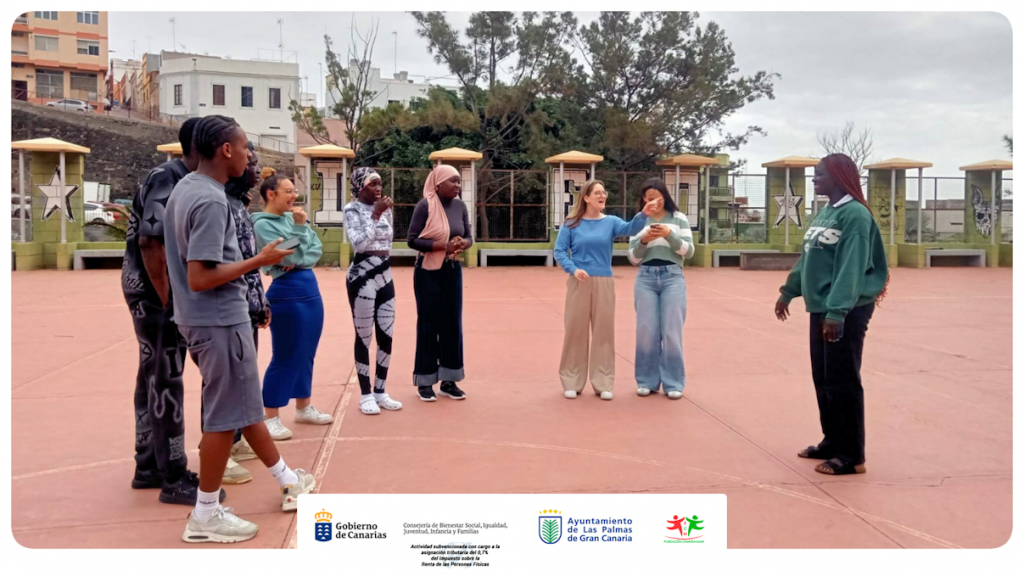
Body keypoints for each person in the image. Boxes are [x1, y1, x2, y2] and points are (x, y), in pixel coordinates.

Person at [165, 115, 314, 543]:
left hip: (205, 319)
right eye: (246, 146)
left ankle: (288, 480)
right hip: (218, 319)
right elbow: (200, 276)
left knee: (243, 408)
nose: (251, 155)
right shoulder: (211, 200)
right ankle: (205, 514)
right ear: (226, 150)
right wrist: (259, 261)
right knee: (222, 419)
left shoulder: (186, 188)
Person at [775, 153, 889, 476]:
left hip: (846, 309)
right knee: (824, 379)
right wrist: (789, 290)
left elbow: (852, 266)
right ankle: (832, 441)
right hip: (823, 307)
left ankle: (851, 456)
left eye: (820, 174)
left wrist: (837, 311)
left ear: (838, 176)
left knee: (843, 380)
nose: (814, 179)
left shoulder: (855, 215)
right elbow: (809, 257)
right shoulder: (827, 212)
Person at [122, 117, 216, 506]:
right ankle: (173, 476)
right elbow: (150, 242)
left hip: (154, 290)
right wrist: (168, 300)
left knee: (153, 375)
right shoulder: (169, 176)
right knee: (166, 379)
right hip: (153, 292)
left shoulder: (184, 178)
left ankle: (148, 465)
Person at [554, 180, 658, 400]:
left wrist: (644, 213)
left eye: (604, 192)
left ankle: (603, 382)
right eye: (597, 193)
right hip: (579, 281)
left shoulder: (611, 222)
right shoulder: (571, 224)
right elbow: (560, 251)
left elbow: (631, 229)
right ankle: (572, 380)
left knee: (604, 332)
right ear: (586, 198)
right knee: (575, 331)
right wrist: (573, 269)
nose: (602, 196)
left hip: (604, 281)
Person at [252, 168, 331, 440]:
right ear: (271, 194)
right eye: (288, 191)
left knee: (306, 351)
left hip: (309, 288)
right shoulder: (262, 224)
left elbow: (315, 250)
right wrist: (298, 236)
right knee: (285, 354)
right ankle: (270, 416)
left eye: (294, 190)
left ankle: (303, 406)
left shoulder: (292, 218)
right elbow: (288, 256)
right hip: (286, 292)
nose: (294, 195)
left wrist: (296, 250)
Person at [212, 142, 269, 484]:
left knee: (244, 380)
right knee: (223, 385)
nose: (257, 169)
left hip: (246, 306)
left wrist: (260, 301)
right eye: (251, 162)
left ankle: (234, 441)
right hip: (226, 310)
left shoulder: (240, 205)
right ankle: (215, 455)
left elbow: (250, 264)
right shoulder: (219, 204)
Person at [407, 164, 473, 402]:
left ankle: (449, 380)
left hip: (452, 270)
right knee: (428, 324)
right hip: (427, 272)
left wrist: (463, 244)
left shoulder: (460, 206)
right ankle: (425, 381)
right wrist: (442, 245)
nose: (457, 185)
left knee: (452, 324)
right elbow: (412, 240)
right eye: (452, 181)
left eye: (459, 181)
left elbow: (470, 236)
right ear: (438, 184)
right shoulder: (425, 206)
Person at [627, 178, 694, 400]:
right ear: (643, 200)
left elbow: (688, 251)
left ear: (665, 196)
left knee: (672, 331)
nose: (654, 202)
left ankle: (673, 383)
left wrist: (669, 235)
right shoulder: (639, 221)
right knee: (646, 331)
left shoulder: (678, 218)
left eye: (657, 198)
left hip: (672, 277)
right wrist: (644, 240)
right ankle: (646, 381)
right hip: (645, 278)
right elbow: (633, 258)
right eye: (649, 199)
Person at [343, 167, 402, 415]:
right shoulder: (352, 210)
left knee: (386, 334)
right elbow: (360, 243)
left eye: (380, 183)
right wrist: (376, 214)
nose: (379, 188)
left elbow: (387, 241)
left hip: (384, 273)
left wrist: (380, 213)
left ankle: (380, 391)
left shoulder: (385, 210)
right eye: (372, 184)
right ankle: (365, 394)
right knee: (364, 336)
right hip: (362, 275)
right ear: (360, 187)